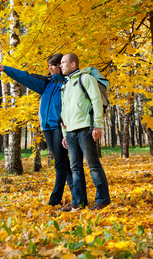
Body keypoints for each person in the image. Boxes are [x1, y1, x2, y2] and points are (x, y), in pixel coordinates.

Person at [0, 54, 74, 206]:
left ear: (60, 65)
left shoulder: (68, 84)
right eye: (48, 65)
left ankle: (54, 200)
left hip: (60, 127)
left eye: (52, 65)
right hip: (46, 128)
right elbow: (25, 77)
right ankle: (77, 196)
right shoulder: (46, 83)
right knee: (64, 163)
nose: (49, 68)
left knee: (60, 163)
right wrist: (6, 69)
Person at [59, 53, 110, 212]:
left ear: (73, 64)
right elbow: (64, 111)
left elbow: (96, 101)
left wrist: (98, 126)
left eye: (63, 63)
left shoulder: (86, 79)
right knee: (75, 168)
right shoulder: (65, 86)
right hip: (71, 132)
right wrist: (64, 133)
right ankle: (79, 202)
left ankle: (102, 200)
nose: (61, 65)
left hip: (86, 129)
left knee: (93, 165)